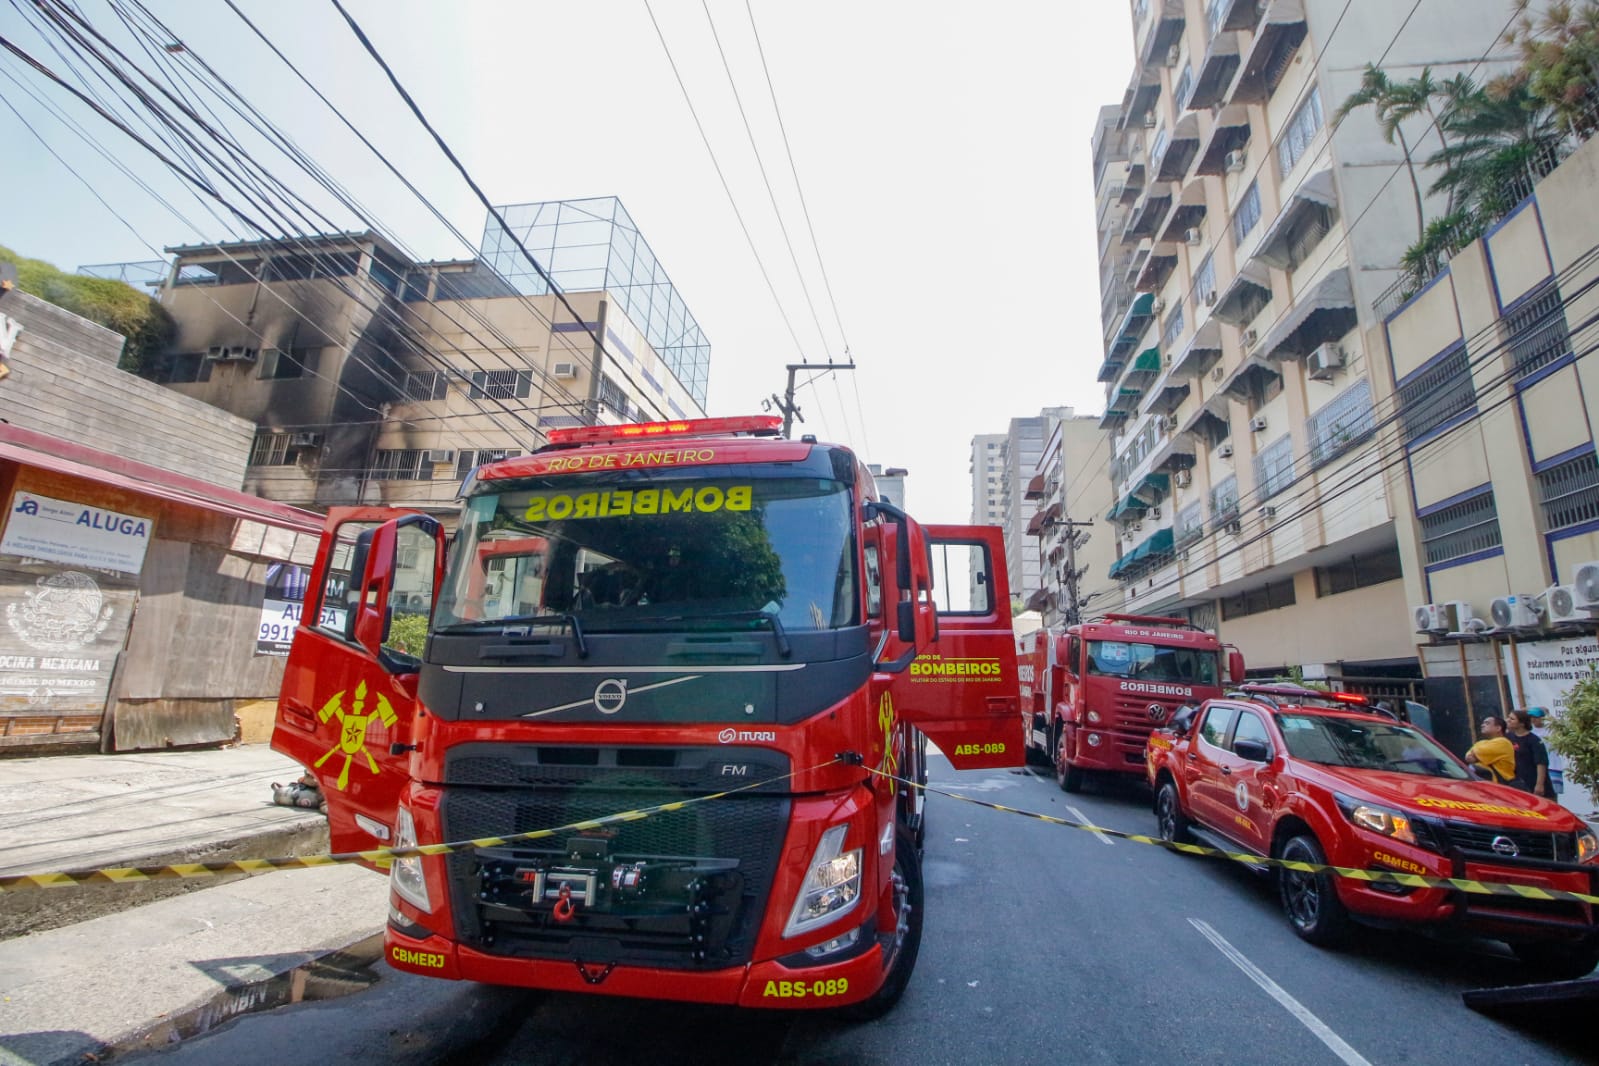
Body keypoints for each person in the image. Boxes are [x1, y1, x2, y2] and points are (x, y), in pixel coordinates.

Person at [1506, 708, 1552, 798]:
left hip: (1534, 781)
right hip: (1519, 783)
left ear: (1522, 723)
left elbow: (1541, 763)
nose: (1508, 720)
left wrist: (1539, 785)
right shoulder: (1508, 737)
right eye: (1508, 718)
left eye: (1512, 719)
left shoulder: (1534, 740)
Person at [1464, 715, 1518, 786]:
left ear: (1498, 728)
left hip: (1502, 785)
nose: (1482, 725)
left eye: (1487, 723)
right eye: (1483, 723)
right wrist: (1475, 754)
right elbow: (1468, 757)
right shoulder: (1482, 742)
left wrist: (1475, 755)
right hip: (1488, 785)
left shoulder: (1503, 742)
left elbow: (1477, 752)